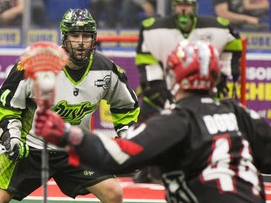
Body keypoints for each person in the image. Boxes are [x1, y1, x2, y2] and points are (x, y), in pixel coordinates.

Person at [35, 40, 271, 203]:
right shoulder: (240, 114)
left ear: (173, 76)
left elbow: (116, 157)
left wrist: (67, 134)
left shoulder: (177, 120)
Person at [0, 9, 140, 203]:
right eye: (75, 35)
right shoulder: (37, 64)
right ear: (65, 37)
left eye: (86, 36)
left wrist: (126, 137)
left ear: (94, 39)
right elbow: (8, 104)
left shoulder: (106, 69)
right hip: (30, 148)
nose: (81, 42)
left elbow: (126, 105)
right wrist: (13, 136)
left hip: (73, 149)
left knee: (114, 192)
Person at [133, 0, 243, 183]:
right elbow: (145, 60)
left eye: (188, 5)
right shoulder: (154, 30)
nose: (184, 9)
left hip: (202, 91)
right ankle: (148, 165)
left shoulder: (217, 28)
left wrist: (225, 75)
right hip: (167, 88)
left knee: (213, 124)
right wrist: (155, 85)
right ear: (174, 8)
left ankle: (215, 164)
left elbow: (233, 42)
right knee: (149, 117)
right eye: (179, 5)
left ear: (194, 8)